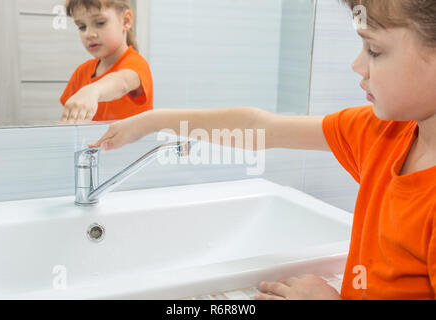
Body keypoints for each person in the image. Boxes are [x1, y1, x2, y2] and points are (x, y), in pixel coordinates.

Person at [89, 0, 436, 300]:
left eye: (374, 50)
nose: (358, 65)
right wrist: (153, 120)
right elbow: (259, 129)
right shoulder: (382, 133)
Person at [60, 0, 153, 123]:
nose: (89, 34)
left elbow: (122, 81)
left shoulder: (136, 64)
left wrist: (94, 90)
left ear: (126, 21)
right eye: (82, 27)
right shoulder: (81, 73)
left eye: (100, 23)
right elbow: (69, 122)